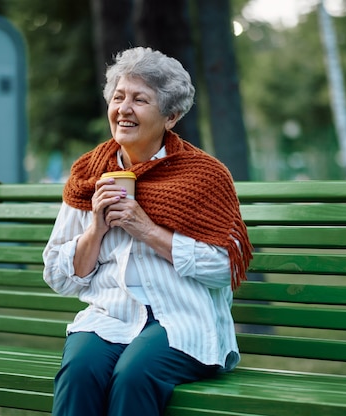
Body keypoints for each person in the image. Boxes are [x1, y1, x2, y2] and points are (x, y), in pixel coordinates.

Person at [43, 46, 253, 416]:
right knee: (79, 372)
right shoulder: (88, 175)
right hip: (110, 314)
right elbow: (59, 277)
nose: (124, 108)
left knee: (133, 376)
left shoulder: (204, 176)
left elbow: (225, 268)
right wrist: (96, 228)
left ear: (170, 116)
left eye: (140, 99)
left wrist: (146, 229)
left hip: (181, 317)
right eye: (119, 97)